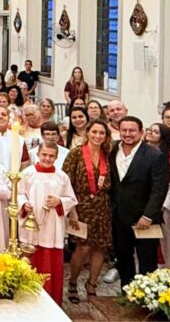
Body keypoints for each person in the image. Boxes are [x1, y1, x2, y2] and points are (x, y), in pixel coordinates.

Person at [110, 116, 169, 288]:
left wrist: (148, 215)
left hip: (145, 220)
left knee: (147, 263)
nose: (127, 134)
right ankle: (126, 293)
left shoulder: (154, 156)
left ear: (141, 132)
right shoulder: (113, 150)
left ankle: (146, 301)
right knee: (123, 258)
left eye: (132, 130)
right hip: (119, 218)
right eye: (124, 130)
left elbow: (159, 189)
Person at [18, 141, 77, 305]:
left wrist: (59, 201)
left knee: (50, 265)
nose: (47, 158)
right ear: (38, 154)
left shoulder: (61, 176)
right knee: (30, 261)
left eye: (51, 156)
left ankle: (51, 301)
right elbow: (18, 193)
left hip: (52, 228)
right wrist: (24, 204)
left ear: (56, 157)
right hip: (31, 226)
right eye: (44, 154)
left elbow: (71, 199)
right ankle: (27, 301)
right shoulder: (27, 173)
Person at [63, 119, 112, 303]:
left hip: (102, 207)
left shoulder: (107, 155)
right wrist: (72, 211)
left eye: (102, 133)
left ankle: (92, 285)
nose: (98, 136)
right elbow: (66, 182)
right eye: (94, 132)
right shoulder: (75, 154)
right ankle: (73, 282)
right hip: (81, 206)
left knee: (100, 247)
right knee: (82, 247)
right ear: (88, 133)